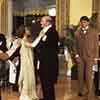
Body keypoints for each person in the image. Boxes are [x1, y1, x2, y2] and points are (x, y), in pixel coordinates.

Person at [75, 16, 99, 100]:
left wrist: (96, 58)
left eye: (85, 22)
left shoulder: (94, 32)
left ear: (88, 22)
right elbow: (75, 45)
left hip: (90, 57)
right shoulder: (77, 32)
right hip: (80, 57)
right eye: (81, 22)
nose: (83, 23)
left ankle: (90, 94)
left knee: (88, 76)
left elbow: (96, 46)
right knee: (80, 74)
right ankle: (81, 91)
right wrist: (76, 55)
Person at [36, 16, 59, 100]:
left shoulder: (52, 32)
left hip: (49, 63)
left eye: (42, 21)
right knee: (44, 83)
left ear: (48, 22)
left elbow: (49, 47)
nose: (41, 23)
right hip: (43, 61)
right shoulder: (43, 31)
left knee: (48, 84)